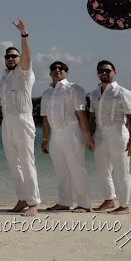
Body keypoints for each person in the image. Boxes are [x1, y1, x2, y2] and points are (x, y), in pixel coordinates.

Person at [0, 19, 40, 216]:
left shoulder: (24, 73)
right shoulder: (5, 77)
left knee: (26, 161)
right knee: (13, 162)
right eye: (7, 56)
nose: (10, 59)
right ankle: (22, 198)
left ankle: (33, 202)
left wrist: (24, 34)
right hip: (7, 121)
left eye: (14, 56)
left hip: (23, 120)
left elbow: (27, 56)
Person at [39, 61, 92, 212]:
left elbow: (81, 114)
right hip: (56, 134)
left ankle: (84, 204)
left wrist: (88, 136)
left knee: (77, 167)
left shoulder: (74, 89)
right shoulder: (46, 94)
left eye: (60, 68)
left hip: (72, 131)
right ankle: (64, 201)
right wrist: (45, 139)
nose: (57, 70)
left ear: (66, 72)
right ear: (50, 73)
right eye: (54, 69)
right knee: (60, 169)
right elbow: (45, 118)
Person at [89, 60, 131, 215]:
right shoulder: (94, 94)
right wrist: (90, 137)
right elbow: (92, 117)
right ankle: (109, 199)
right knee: (102, 170)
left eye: (107, 71)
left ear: (114, 71)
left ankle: (125, 205)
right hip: (100, 136)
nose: (104, 73)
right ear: (97, 73)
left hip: (118, 135)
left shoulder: (123, 93)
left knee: (122, 171)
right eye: (101, 71)